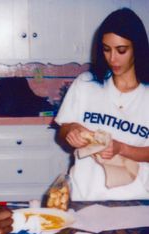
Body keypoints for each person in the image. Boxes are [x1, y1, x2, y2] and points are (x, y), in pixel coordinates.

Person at [55, 8, 149, 201]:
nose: (112, 58)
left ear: (137, 48)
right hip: (85, 195)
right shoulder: (86, 83)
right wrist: (71, 131)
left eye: (121, 50)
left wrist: (121, 148)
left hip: (134, 198)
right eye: (106, 49)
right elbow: (63, 131)